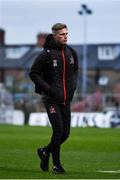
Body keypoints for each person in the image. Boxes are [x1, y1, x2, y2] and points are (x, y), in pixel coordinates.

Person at [29, 23, 78, 174]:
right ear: (55, 35)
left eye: (66, 34)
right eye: (62, 34)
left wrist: (72, 89)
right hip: (51, 99)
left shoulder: (71, 52)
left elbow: (75, 72)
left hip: (66, 99)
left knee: (65, 134)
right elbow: (33, 73)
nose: (65, 36)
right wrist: (48, 89)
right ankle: (56, 165)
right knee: (58, 131)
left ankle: (45, 152)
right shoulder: (46, 54)